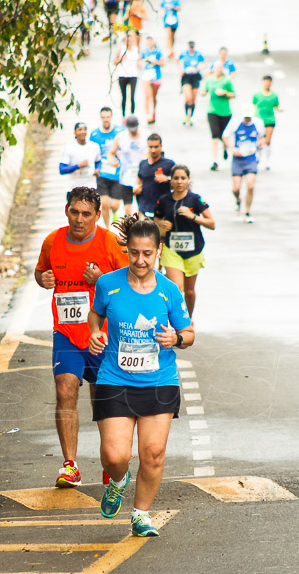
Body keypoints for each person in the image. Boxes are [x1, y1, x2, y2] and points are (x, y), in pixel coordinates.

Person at [88, 216, 195, 537]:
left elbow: (189, 334)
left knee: (153, 455)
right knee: (114, 456)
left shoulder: (169, 291)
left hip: (159, 381)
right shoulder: (108, 284)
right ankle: (119, 481)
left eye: (147, 253)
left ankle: (141, 514)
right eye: (134, 252)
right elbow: (96, 313)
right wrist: (95, 332)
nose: (140, 260)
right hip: (114, 379)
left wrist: (175, 339)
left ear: (158, 251)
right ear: (127, 250)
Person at [35, 187, 129, 488]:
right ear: (66, 210)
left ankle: (110, 462)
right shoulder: (53, 241)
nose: (79, 219)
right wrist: (43, 279)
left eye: (86, 214)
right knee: (65, 390)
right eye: (74, 212)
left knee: (102, 398)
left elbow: (132, 285)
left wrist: (100, 279)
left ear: (97, 216)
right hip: (66, 332)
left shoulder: (109, 242)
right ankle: (70, 465)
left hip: (102, 334)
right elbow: (41, 272)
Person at [155, 164, 215, 316]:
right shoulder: (163, 200)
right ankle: (176, 320)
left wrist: (193, 216)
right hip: (172, 249)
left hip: (193, 251)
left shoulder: (195, 200)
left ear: (188, 180)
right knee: (177, 287)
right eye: (176, 178)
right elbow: (156, 218)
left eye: (183, 178)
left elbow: (212, 223)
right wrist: (161, 223)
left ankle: (188, 318)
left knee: (188, 291)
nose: (180, 181)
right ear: (171, 181)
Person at [222, 104, 264, 223]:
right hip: (238, 159)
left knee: (250, 186)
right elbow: (225, 136)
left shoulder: (258, 123)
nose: (247, 119)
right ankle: (238, 199)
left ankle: (247, 210)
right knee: (236, 188)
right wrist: (232, 148)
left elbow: (262, 137)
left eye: (249, 117)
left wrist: (261, 143)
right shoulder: (235, 122)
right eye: (245, 117)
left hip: (251, 158)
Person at [91, 107, 126, 228]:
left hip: (117, 173)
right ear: (101, 118)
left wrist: (120, 156)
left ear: (111, 117)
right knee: (104, 204)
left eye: (108, 117)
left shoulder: (120, 132)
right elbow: (91, 153)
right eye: (103, 117)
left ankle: (115, 213)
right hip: (102, 174)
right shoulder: (95, 135)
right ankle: (107, 228)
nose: (106, 120)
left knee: (114, 205)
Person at [108, 115, 148, 219]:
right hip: (126, 177)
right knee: (127, 209)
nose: (133, 131)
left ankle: (142, 229)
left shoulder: (146, 135)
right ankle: (128, 230)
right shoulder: (121, 137)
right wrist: (113, 161)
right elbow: (111, 153)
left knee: (142, 208)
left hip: (142, 177)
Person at [202, 61, 234, 171]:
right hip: (212, 111)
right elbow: (205, 90)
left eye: (220, 68)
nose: (218, 69)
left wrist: (225, 93)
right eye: (216, 67)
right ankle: (215, 161)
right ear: (213, 69)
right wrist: (203, 92)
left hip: (225, 112)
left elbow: (233, 94)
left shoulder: (227, 80)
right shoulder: (209, 79)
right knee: (214, 136)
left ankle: (225, 148)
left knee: (224, 135)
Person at [135, 133, 175, 218]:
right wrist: (136, 187)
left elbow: (180, 183)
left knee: (161, 231)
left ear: (161, 146)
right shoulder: (143, 164)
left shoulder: (169, 164)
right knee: (143, 231)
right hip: (144, 208)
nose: (153, 150)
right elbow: (139, 179)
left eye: (156, 147)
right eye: (150, 147)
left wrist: (167, 179)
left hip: (162, 209)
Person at [58, 122, 102, 193]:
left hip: (90, 187)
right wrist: (78, 166)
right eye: (80, 129)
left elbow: (98, 161)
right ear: (75, 133)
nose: (83, 132)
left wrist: (97, 169)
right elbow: (62, 169)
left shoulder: (94, 146)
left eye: (84, 129)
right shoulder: (69, 148)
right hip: (74, 188)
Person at [252, 75, 282, 171]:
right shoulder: (257, 94)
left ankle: (267, 161)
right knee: (259, 141)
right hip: (258, 120)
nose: (267, 83)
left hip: (269, 120)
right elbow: (253, 106)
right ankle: (257, 158)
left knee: (267, 141)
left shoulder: (274, 96)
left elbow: (276, 106)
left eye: (269, 82)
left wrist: (280, 109)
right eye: (265, 81)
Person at [114, 32, 141, 117]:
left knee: (132, 96)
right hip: (122, 75)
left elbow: (139, 61)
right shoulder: (121, 49)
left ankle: (132, 115)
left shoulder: (136, 49)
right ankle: (123, 116)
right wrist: (121, 58)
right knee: (124, 97)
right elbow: (115, 62)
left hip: (133, 75)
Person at [140, 35, 166, 124]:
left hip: (156, 76)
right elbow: (140, 61)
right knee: (147, 96)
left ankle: (153, 111)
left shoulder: (158, 51)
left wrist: (154, 61)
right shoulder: (144, 51)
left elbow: (163, 63)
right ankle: (148, 115)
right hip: (146, 75)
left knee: (153, 97)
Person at [178, 41, 205, 126]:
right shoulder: (184, 54)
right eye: (190, 47)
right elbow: (177, 60)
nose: (191, 48)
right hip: (186, 76)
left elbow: (204, 62)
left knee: (193, 98)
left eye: (192, 47)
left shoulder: (198, 54)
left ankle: (191, 116)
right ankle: (186, 115)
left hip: (195, 76)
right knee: (188, 97)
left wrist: (200, 67)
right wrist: (180, 69)